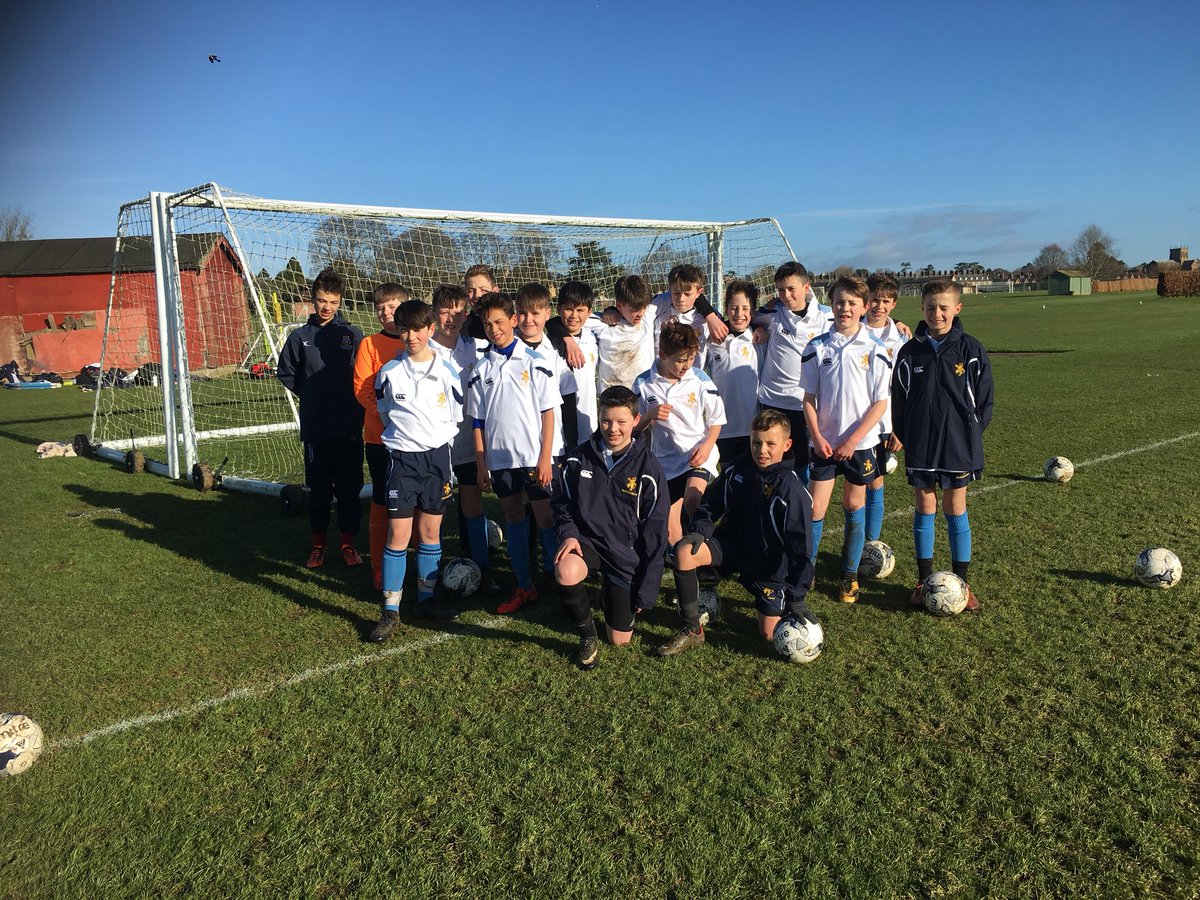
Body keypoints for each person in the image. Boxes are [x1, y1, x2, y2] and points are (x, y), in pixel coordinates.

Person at [666, 409, 818, 656]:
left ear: (787, 444)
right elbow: (709, 503)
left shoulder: (792, 491)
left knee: (768, 635)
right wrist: (698, 532)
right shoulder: (738, 468)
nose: (762, 450)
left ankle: (774, 605)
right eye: (756, 442)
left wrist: (797, 596)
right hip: (732, 548)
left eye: (771, 443)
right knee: (685, 551)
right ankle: (692, 630)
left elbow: (801, 548)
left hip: (768, 567)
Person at [891, 278, 993, 610]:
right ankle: (923, 581)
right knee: (924, 507)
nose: (937, 313)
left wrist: (970, 432)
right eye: (931, 307)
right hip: (921, 442)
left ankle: (963, 584)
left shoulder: (971, 349)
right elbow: (899, 401)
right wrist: (906, 434)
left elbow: (984, 399)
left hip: (957, 443)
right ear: (921, 308)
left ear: (957, 309)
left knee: (955, 508)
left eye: (944, 307)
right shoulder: (909, 352)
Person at [552, 386, 669, 668]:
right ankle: (587, 636)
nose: (612, 429)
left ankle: (610, 593)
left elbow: (656, 532)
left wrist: (647, 587)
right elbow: (561, 503)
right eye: (606, 420)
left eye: (621, 422)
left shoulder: (649, 468)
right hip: (588, 543)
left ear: (636, 420)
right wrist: (569, 534)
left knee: (620, 639)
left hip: (624, 555)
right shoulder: (577, 459)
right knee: (566, 571)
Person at [368, 300, 464, 641]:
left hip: (437, 459)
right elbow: (384, 411)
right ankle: (390, 610)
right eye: (405, 329)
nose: (412, 336)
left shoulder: (447, 371)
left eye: (418, 329)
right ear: (398, 330)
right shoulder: (389, 373)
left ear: (430, 330)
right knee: (397, 536)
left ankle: (427, 599)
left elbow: (455, 416)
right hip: (403, 461)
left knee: (430, 534)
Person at [467, 292, 562, 614]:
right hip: (500, 460)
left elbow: (549, 413)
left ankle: (557, 580)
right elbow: (477, 422)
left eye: (499, 321)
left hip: (535, 458)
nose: (494, 329)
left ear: (513, 320)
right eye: (487, 324)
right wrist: (482, 464)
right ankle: (524, 585)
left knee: (546, 517)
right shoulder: (481, 369)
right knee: (512, 516)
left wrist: (545, 457)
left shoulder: (536, 362)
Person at [800, 274, 891, 604]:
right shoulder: (816, 347)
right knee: (815, 509)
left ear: (865, 307)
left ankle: (848, 575)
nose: (845, 309)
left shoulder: (875, 349)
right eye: (839, 302)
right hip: (823, 443)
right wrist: (816, 434)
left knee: (854, 504)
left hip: (860, 445)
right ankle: (805, 571)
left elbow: (880, 403)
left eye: (853, 303)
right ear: (831, 304)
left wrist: (853, 440)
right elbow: (808, 398)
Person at [276, 267, 365, 569]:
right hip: (316, 430)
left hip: (350, 427)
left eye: (333, 301)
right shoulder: (299, 337)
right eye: (321, 300)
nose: (326, 307)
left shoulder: (352, 335)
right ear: (313, 300)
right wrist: (312, 393)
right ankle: (318, 546)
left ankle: (348, 545)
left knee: (350, 491)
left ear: (340, 301)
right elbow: (286, 372)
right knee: (319, 493)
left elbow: (362, 375)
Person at [633, 321, 725, 546]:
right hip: (665, 461)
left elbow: (717, 419)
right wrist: (649, 415)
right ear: (663, 354)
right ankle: (683, 566)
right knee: (669, 528)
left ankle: (712, 549)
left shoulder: (699, 378)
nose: (687, 366)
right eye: (680, 360)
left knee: (694, 499)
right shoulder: (644, 383)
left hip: (697, 453)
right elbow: (633, 427)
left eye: (691, 359)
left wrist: (706, 446)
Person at [430, 283, 495, 590]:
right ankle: (433, 573)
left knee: (472, 506)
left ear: (466, 313)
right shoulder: (423, 348)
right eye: (444, 312)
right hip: (434, 442)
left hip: (467, 441)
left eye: (457, 312)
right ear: (434, 314)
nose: (451, 319)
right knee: (435, 510)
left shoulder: (474, 347)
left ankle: (482, 571)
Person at [515, 282, 578, 575]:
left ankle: (553, 569)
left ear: (547, 314)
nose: (529, 320)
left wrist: (568, 446)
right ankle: (527, 570)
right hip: (514, 446)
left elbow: (566, 401)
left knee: (548, 509)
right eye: (523, 313)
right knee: (519, 508)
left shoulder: (555, 352)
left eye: (536, 313)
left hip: (549, 447)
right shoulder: (504, 350)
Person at [754, 261, 833, 478]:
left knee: (801, 465)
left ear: (806, 287)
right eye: (781, 290)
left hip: (804, 404)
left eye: (791, 289)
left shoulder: (826, 316)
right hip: (772, 401)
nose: (786, 295)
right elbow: (742, 319)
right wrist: (758, 327)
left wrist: (898, 322)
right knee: (769, 461)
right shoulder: (772, 314)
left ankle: (800, 508)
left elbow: (860, 319)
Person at [353, 282, 408, 589]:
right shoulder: (369, 345)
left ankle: (407, 555)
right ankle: (378, 565)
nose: (386, 313)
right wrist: (387, 416)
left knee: (411, 498)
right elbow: (362, 388)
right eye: (380, 308)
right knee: (382, 497)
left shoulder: (414, 341)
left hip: (414, 440)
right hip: (380, 437)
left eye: (392, 307)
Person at [863, 272, 908, 543]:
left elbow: (903, 389)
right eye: (874, 299)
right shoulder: (851, 328)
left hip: (883, 424)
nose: (879, 306)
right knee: (853, 489)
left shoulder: (901, 339)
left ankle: (871, 542)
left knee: (875, 482)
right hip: (853, 421)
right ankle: (855, 543)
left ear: (893, 304)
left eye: (885, 301)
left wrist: (898, 429)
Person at [706, 279, 763, 465]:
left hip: (752, 427)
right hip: (722, 428)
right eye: (733, 308)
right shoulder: (713, 340)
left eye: (745, 308)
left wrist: (763, 329)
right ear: (726, 308)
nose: (739, 314)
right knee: (729, 479)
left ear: (753, 311)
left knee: (754, 480)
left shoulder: (759, 339)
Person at [554, 280, 600, 439]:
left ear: (589, 312)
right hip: (560, 432)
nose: (574, 316)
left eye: (580, 310)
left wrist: (612, 309)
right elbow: (550, 323)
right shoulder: (549, 343)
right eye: (568, 309)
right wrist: (567, 339)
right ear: (559, 309)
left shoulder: (592, 336)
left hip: (589, 425)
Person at [651, 263, 719, 368]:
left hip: (692, 381)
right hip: (659, 379)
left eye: (687, 294)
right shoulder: (657, 311)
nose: (681, 299)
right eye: (676, 293)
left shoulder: (709, 318)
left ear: (699, 293)